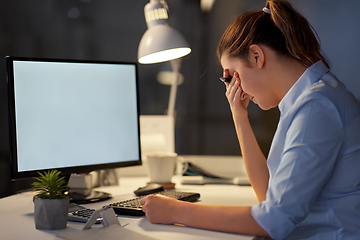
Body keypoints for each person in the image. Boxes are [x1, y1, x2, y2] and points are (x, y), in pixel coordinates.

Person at [140, 0, 360, 239]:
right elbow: (268, 196)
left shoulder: (317, 107)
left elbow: (274, 221)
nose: (237, 89)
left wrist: (177, 211)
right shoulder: (305, 101)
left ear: (256, 56)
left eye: (232, 77)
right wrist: (239, 116)